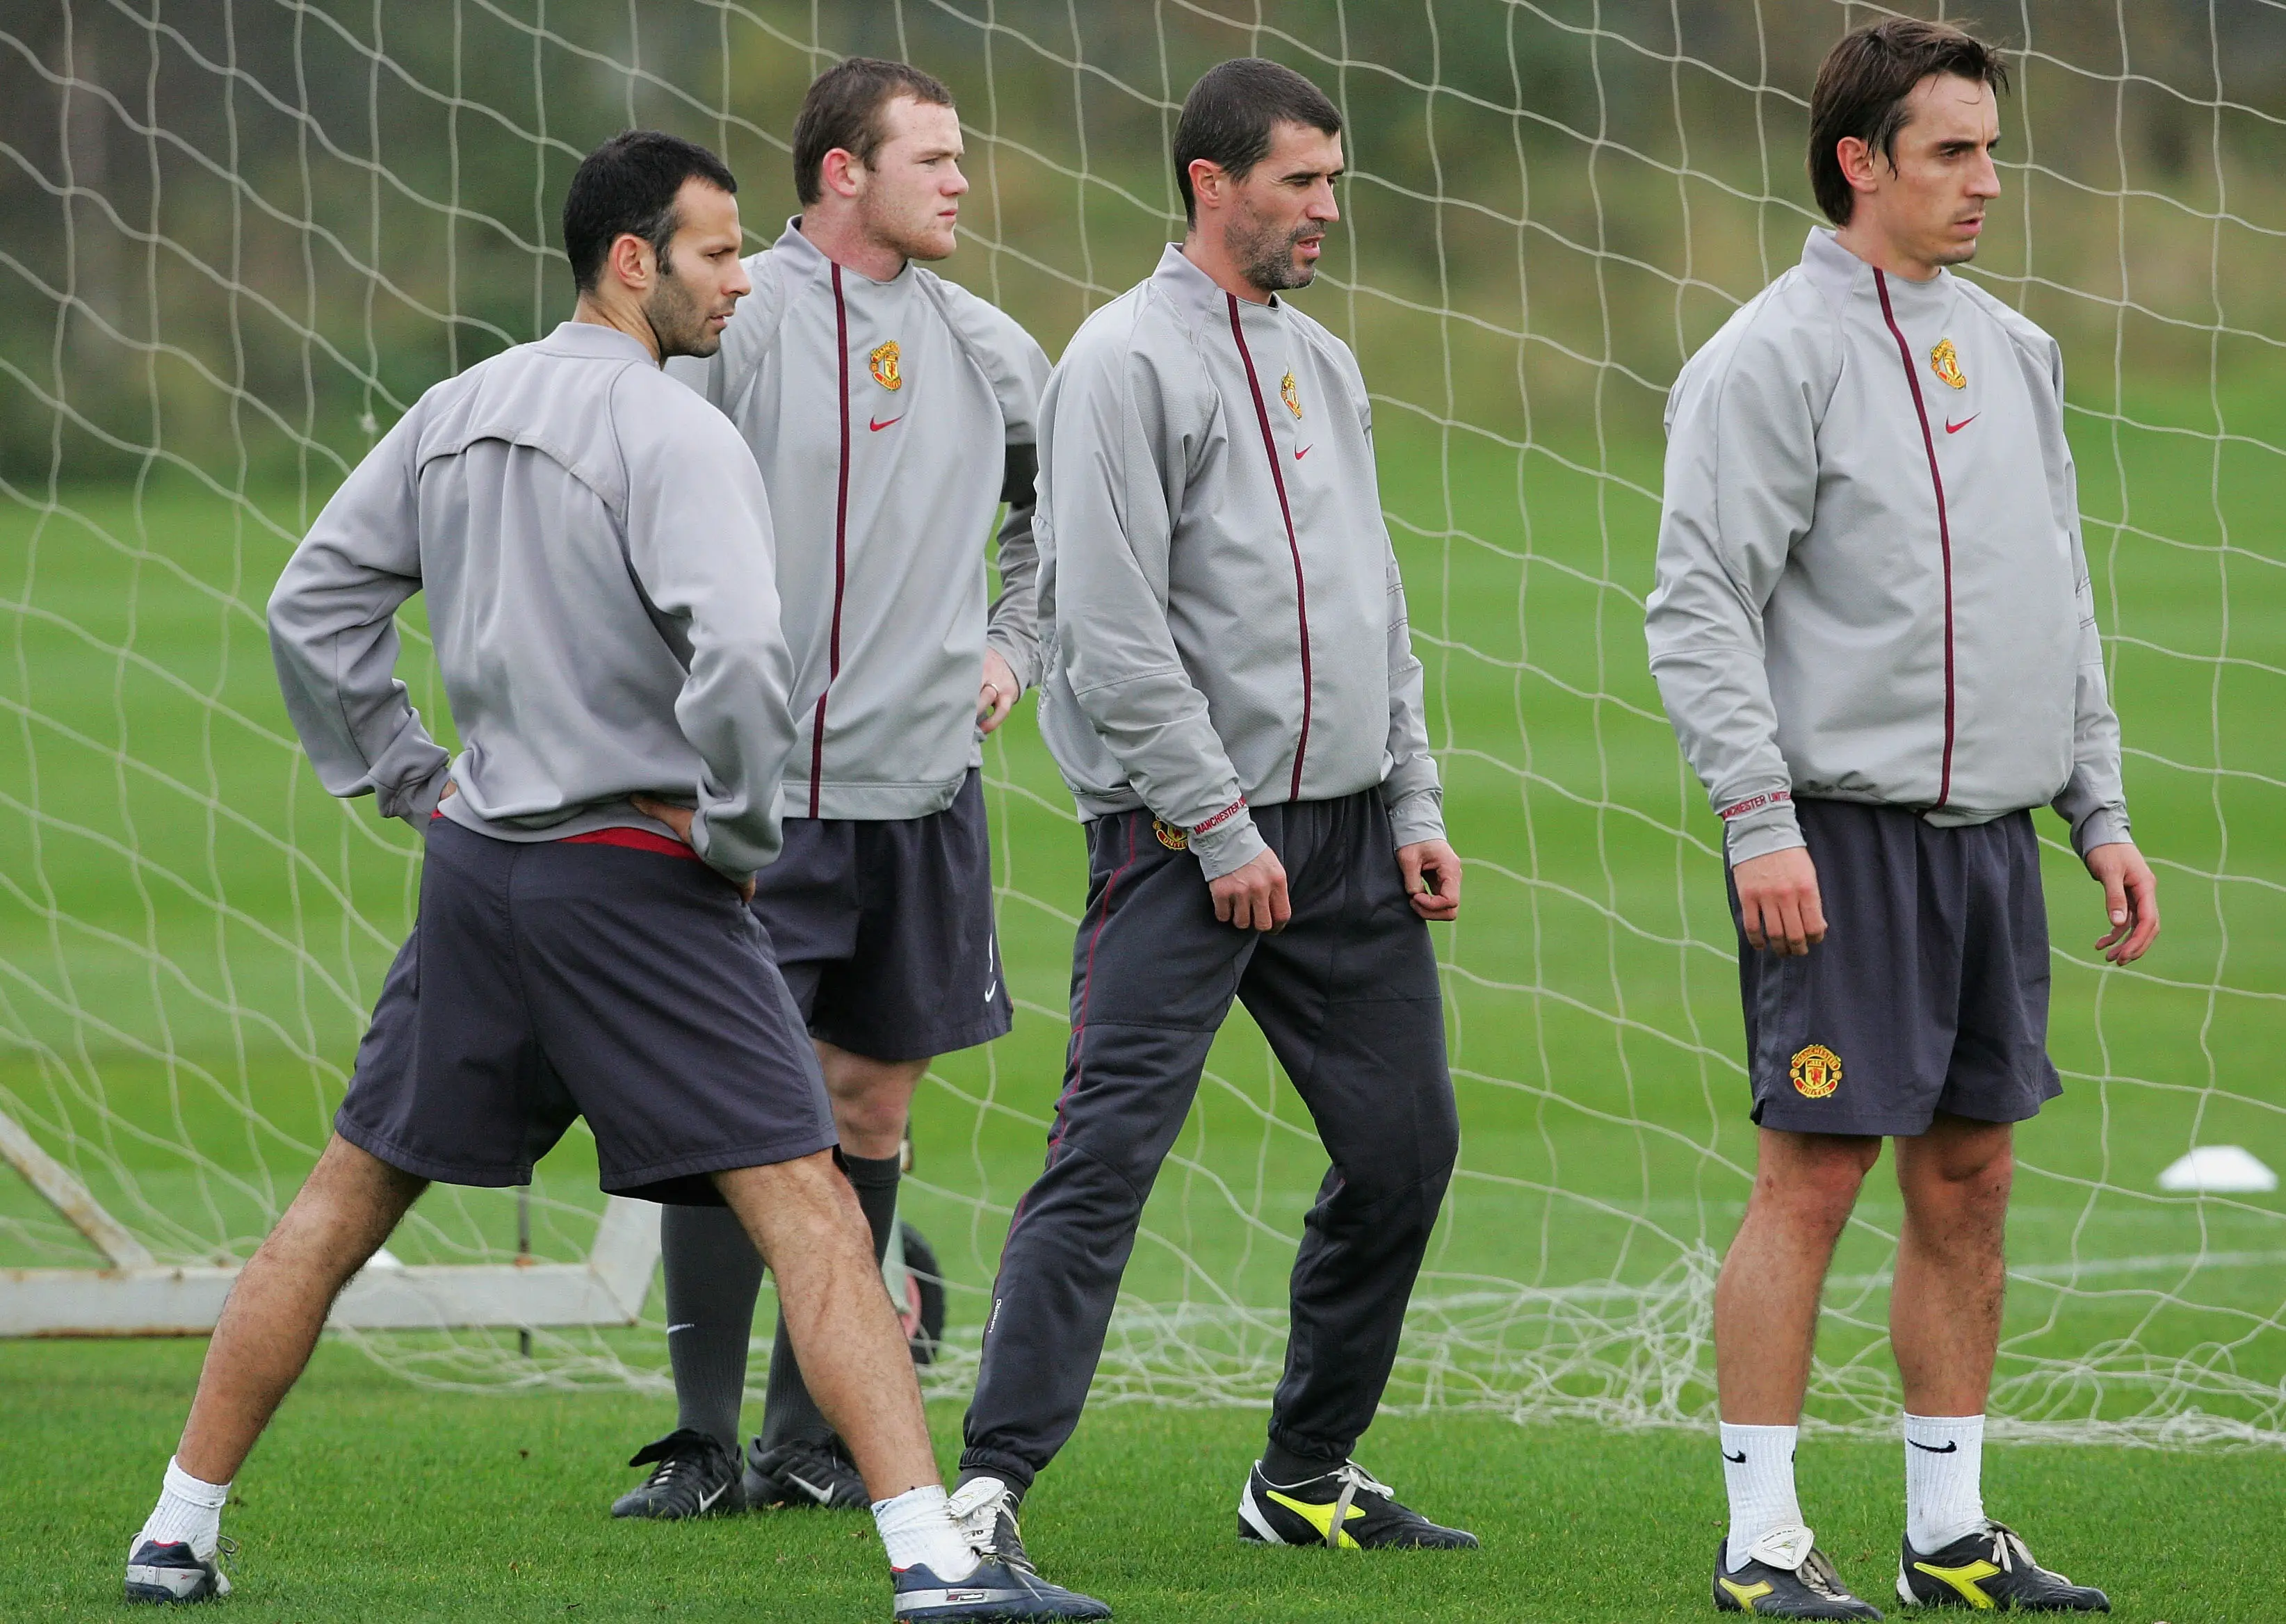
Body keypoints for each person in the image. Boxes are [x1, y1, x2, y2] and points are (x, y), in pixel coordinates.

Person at [122, 129, 1106, 1623]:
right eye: (716, 253)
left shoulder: (456, 405)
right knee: (814, 1209)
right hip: (636, 878)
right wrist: (729, 836)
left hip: (478, 870)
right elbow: (744, 659)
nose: (738, 281)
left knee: (341, 1200)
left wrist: (409, 777)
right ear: (633, 261)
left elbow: (310, 603)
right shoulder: (676, 432)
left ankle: (176, 1532)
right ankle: (932, 1563)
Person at [1646, 19, 2157, 1618]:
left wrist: (2099, 802)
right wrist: (1756, 813)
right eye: (1951, 150)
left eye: (1991, 148)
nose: (1985, 180)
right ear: (1860, 160)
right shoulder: (1768, 356)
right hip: (1836, 840)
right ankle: (1763, 1543)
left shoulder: (2016, 351)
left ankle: (1948, 1533)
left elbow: (2056, 596)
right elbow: (1698, 602)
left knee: (1974, 1178)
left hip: (1994, 840)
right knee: (1813, 1177)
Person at [946, 58, 1473, 1566]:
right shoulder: (1118, 361)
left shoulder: (1325, 361)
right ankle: (987, 1492)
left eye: (1334, 181)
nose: (1327, 208)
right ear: (1210, 182)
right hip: (1186, 845)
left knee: (1405, 1149)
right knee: (1103, 1162)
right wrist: (1220, 824)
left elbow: (1378, 605)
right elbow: (1109, 634)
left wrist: (1413, 793)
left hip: (1350, 836)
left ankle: (1306, 1470)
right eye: (1301, 180)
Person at [609, 58, 1051, 1522]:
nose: (961, 181)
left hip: (919, 793)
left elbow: (1056, 534)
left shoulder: (994, 351)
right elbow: (635, 510)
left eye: (961, 155)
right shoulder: (740, 323)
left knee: (866, 1102)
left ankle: (807, 1440)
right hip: (752, 795)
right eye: (932, 157)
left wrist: (1013, 644)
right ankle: (695, 1434)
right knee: (739, 1104)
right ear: (841, 173)